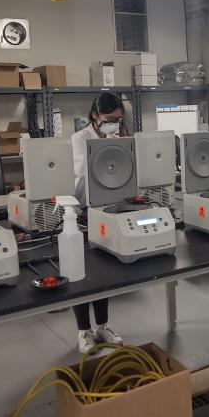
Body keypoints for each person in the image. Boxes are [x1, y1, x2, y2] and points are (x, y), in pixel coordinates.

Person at [70, 92, 126, 353]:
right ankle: (84, 331)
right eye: (111, 119)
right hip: (81, 210)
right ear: (96, 116)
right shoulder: (79, 140)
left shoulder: (116, 138)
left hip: (106, 208)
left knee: (103, 271)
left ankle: (103, 325)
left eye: (119, 119)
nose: (116, 124)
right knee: (81, 272)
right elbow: (83, 175)